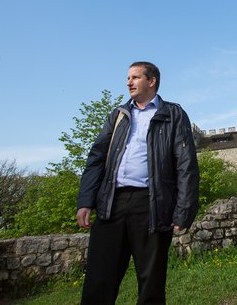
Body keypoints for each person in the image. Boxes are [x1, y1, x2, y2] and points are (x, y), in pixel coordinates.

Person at [76, 61, 199, 305]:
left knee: (151, 284)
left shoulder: (173, 113)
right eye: (128, 77)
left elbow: (186, 165)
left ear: (151, 81)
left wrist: (183, 210)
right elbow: (96, 158)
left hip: (151, 204)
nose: (128, 82)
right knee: (99, 279)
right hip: (112, 202)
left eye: (135, 77)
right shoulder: (119, 115)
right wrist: (86, 200)